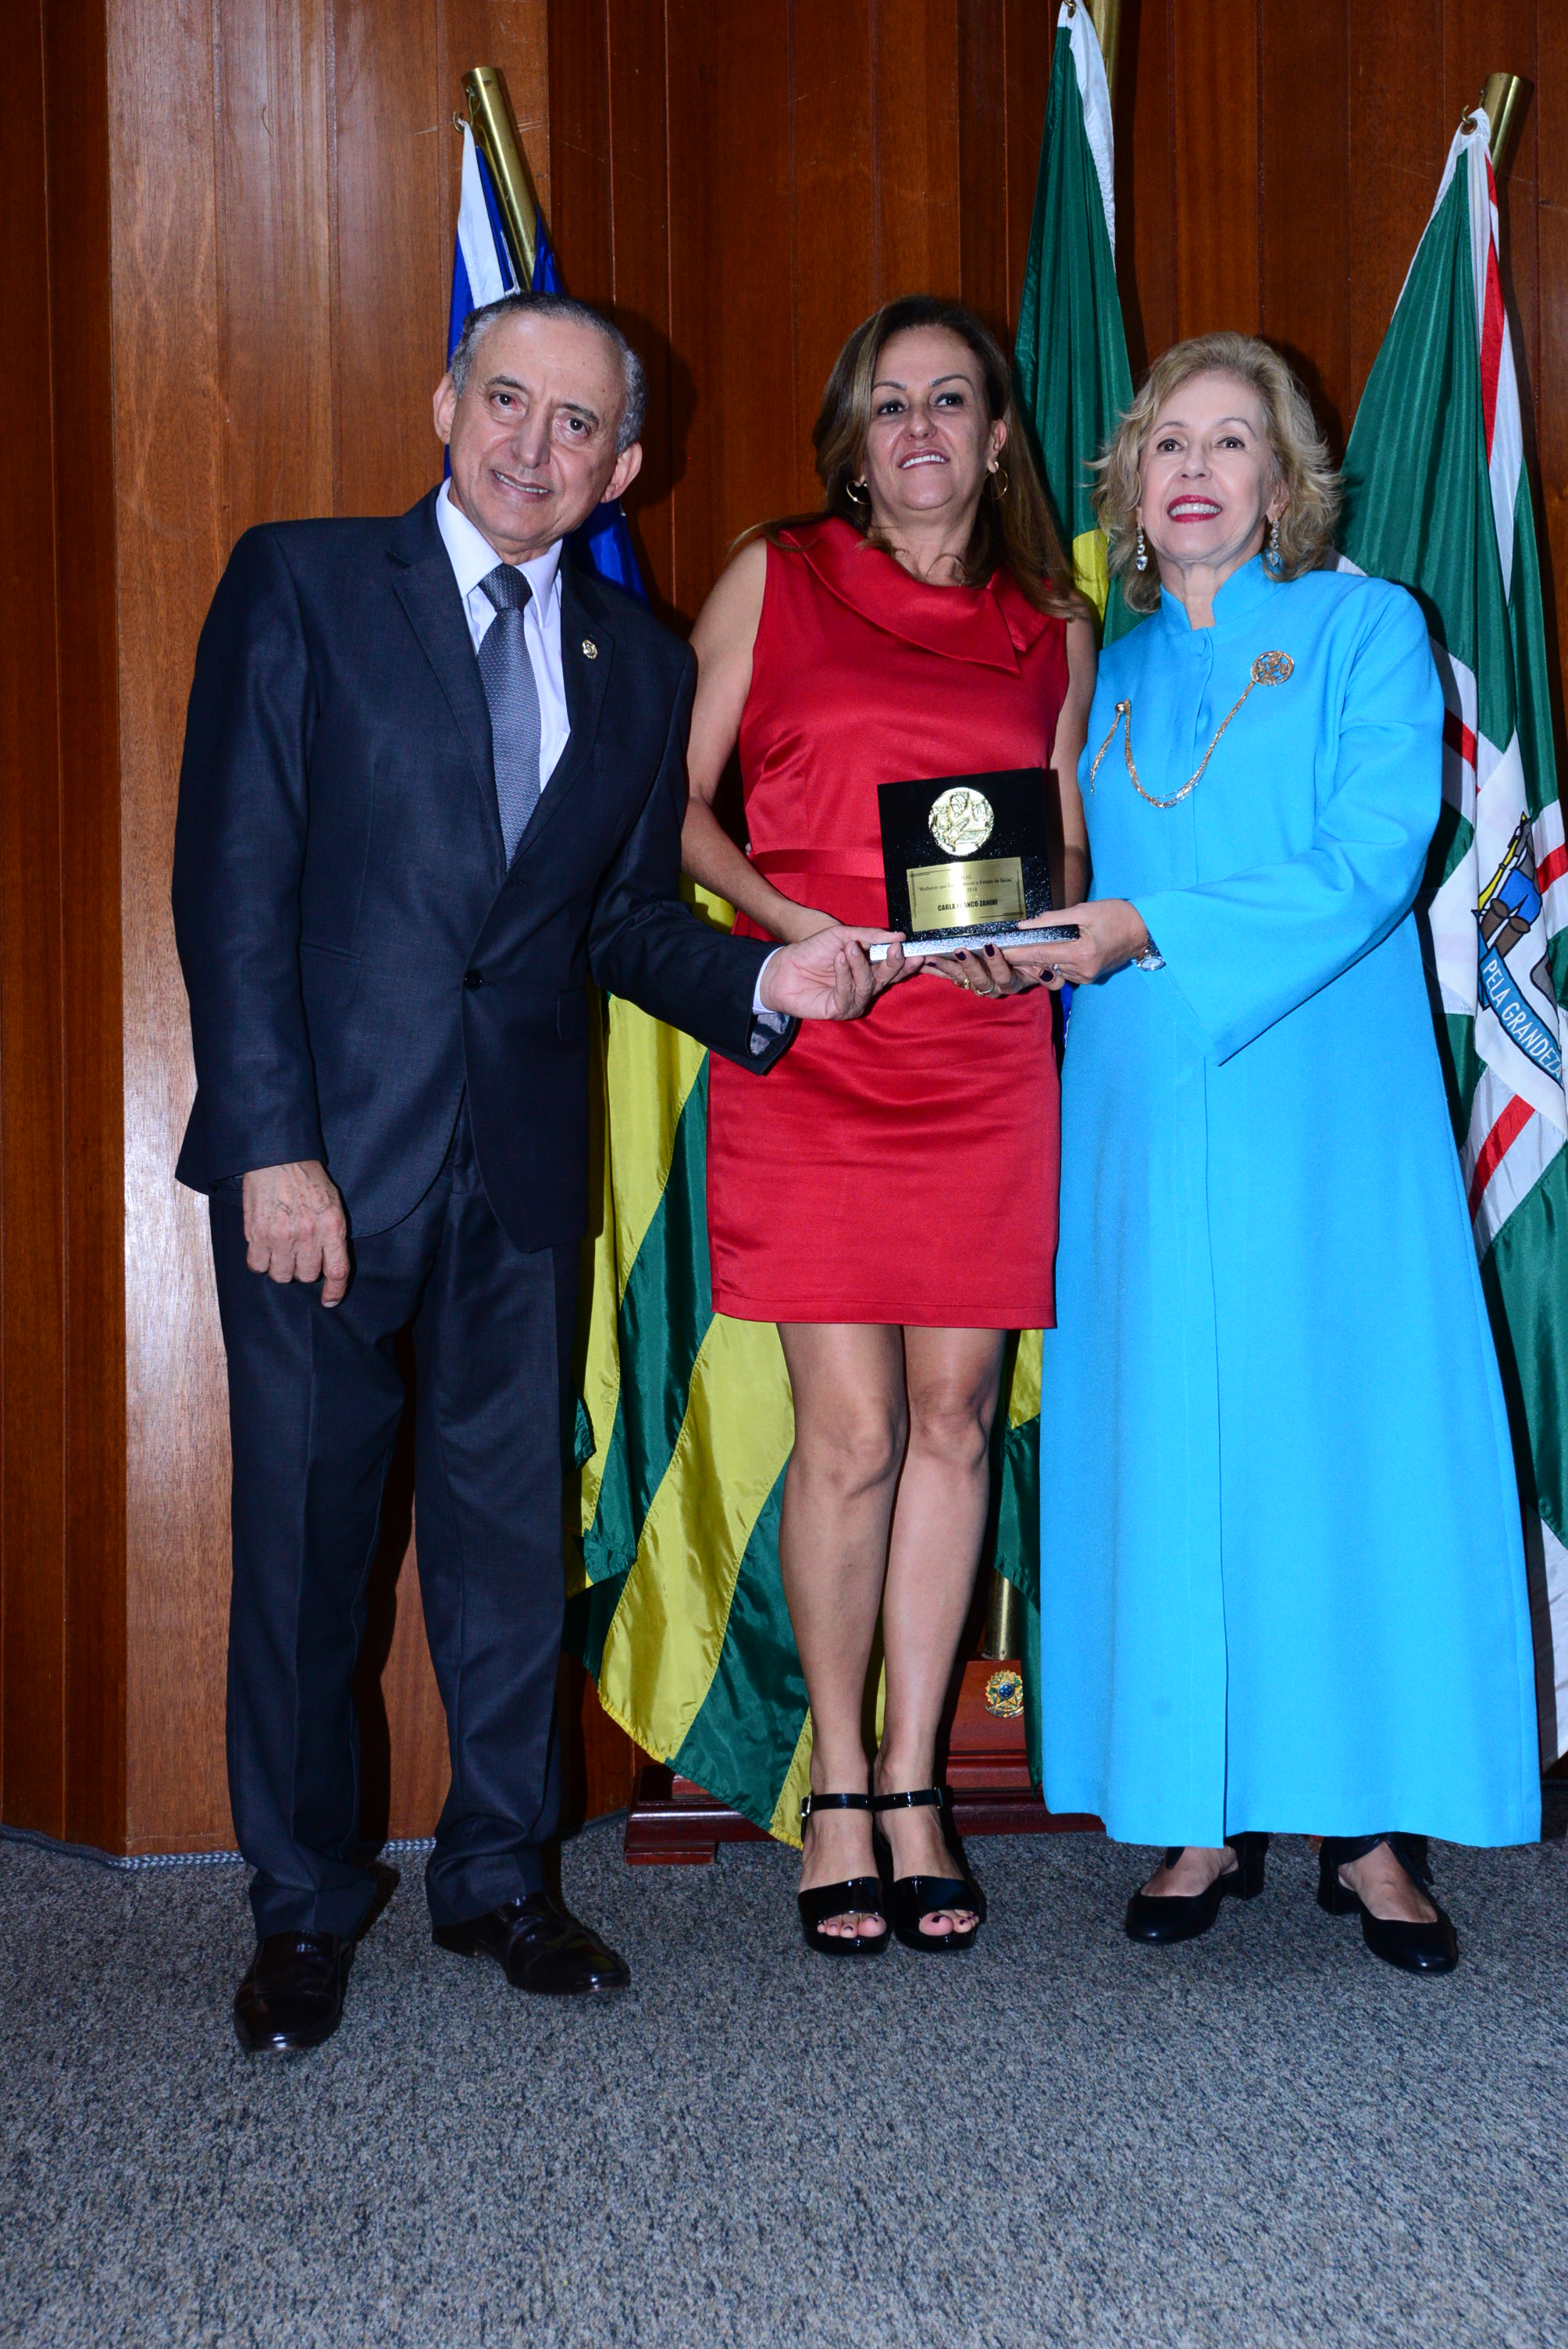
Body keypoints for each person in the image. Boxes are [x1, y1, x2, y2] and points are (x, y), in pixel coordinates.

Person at [173, 291, 900, 2053]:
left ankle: (501, 1876)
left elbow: (623, 920)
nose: (534, 444)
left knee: (507, 1550)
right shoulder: (304, 584)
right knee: (306, 1556)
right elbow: (232, 877)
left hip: (516, 1177)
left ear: (621, 467)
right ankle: (301, 1907)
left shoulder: (638, 664)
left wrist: (765, 982)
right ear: (447, 403)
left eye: (578, 424)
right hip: (321, 1174)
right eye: (507, 400)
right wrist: (273, 1145)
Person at [1003, 333, 1541, 1973]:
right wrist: (1005, 944)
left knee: (1333, 1444)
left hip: (1323, 1104)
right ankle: (1193, 1808)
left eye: (1231, 441)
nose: (1195, 468)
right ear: (1127, 478)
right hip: (1137, 1102)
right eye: (1167, 439)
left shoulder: (1369, 629)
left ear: (1282, 480)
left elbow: (1372, 857)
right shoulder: (1101, 664)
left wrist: (1142, 927)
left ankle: (1369, 1832)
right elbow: (1046, 858)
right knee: (1171, 1436)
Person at [682, 295, 1095, 1955]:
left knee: (954, 1419)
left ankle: (919, 1780)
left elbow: (1063, 844)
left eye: (951, 400)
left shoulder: (1052, 627)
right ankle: (838, 1785)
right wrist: (791, 930)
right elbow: (672, 810)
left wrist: (1029, 942)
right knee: (848, 1434)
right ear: (854, 442)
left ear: (996, 440)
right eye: (890, 401)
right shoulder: (772, 575)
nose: (920, 426)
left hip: (978, 1054)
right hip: (819, 1040)